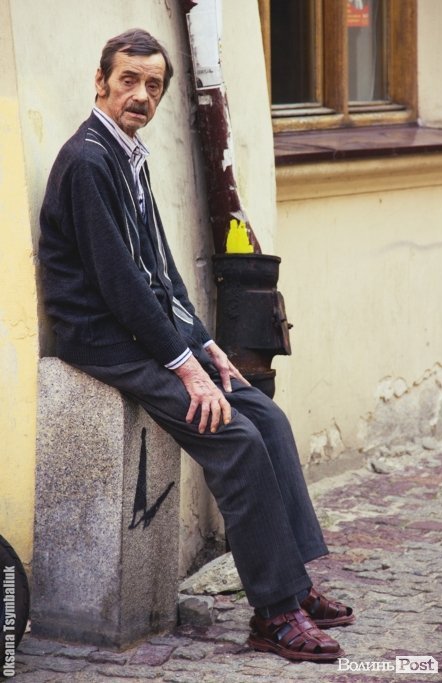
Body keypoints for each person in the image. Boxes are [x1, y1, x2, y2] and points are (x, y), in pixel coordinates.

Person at [39, 28, 355, 663]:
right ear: (100, 82)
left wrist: (205, 345)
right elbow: (121, 285)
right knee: (232, 436)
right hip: (104, 340)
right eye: (128, 80)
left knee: (264, 415)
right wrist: (185, 368)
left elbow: (159, 268)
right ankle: (274, 614)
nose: (141, 95)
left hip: (143, 332)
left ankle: (293, 583)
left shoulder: (127, 152)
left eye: (153, 85)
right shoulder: (88, 161)